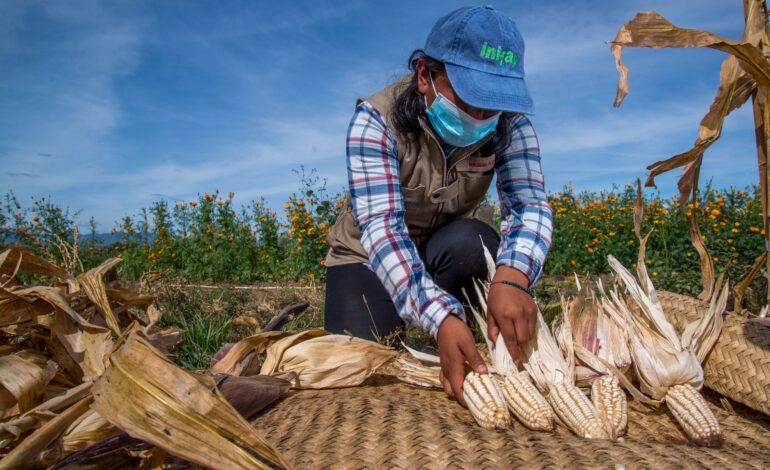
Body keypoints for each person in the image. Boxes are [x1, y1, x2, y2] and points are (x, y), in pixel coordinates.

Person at [323, 6, 552, 407]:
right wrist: (440, 317)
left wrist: (513, 278)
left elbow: (529, 206)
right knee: (359, 360)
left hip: (447, 246)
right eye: (469, 98)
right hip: (369, 257)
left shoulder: (511, 125)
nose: (481, 116)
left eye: (493, 103)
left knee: (474, 243)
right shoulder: (375, 122)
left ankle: (462, 328)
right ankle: (442, 323)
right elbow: (382, 230)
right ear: (425, 75)